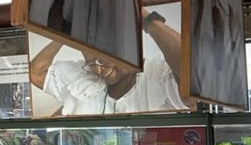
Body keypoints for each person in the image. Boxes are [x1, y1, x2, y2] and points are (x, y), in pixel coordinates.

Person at [29, 8, 187, 115]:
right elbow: (35, 72)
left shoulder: (158, 74)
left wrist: (147, 19)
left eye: (101, 60)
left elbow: (192, 74)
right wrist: (65, 35)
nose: (98, 70)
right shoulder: (85, 78)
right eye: (91, 64)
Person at [191, 0, 245, 105]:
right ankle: (210, 1)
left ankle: (206, 0)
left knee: (203, 50)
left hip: (213, 79)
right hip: (221, 74)